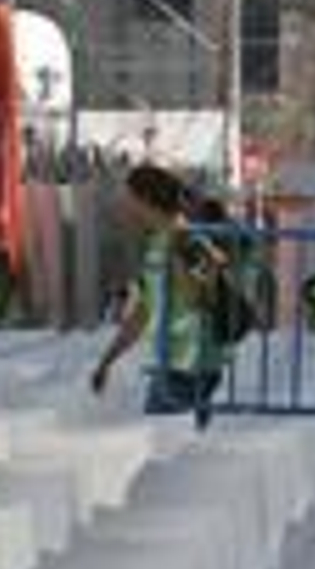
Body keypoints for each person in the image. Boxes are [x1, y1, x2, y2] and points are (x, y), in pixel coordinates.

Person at [90, 162, 228, 427]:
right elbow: (144, 311)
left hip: (192, 366)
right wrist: (107, 361)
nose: (122, 206)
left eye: (127, 198)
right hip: (174, 364)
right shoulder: (158, 244)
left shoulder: (185, 238)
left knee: (169, 456)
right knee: (179, 455)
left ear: (144, 200)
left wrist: (191, 276)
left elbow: (207, 285)